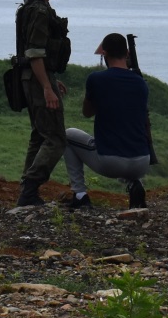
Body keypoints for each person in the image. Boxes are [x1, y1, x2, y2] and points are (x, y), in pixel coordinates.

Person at [62, 33, 151, 210]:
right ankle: (136, 184)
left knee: (67, 136)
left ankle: (80, 195)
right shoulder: (141, 83)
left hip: (110, 163)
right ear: (127, 53)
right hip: (142, 162)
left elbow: (87, 113)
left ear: (104, 53)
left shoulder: (96, 79)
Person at [12, 0, 74, 207]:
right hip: (37, 79)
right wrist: (47, 87)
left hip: (34, 77)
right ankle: (30, 189)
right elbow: (35, 53)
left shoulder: (32, 6)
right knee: (56, 138)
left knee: (39, 135)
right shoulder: (38, 10)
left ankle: (28, 192)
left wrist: (50, 79)